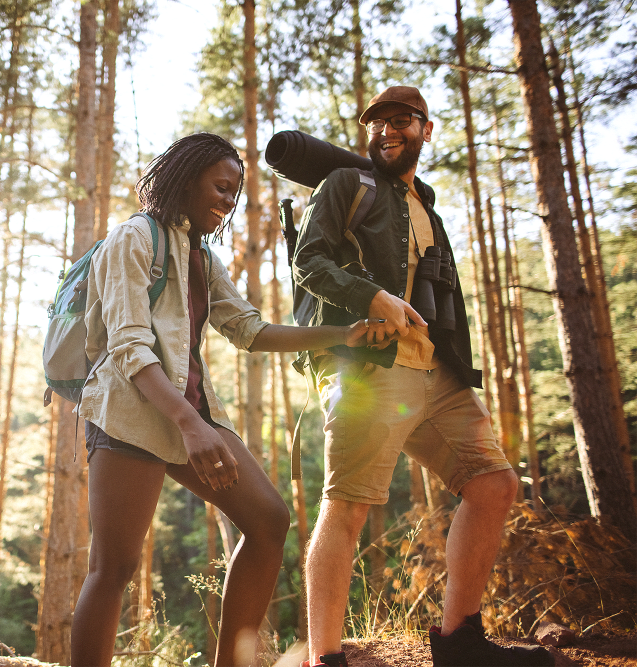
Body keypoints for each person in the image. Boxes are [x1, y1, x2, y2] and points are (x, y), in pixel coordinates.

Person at [73, 132, 369, 667]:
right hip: (127, 414)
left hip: (192, 413)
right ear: (186, 180)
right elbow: (130, 347)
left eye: (234, 193)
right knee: (113, 568)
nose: (228, 201)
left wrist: (342, 336)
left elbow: (250, 330)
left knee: (268, 521)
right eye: (221, 187)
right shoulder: (132, 239)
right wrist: (191, 426)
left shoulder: (200, 258)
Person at [291, 87, 554, 667]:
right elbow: (307, 261)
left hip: (436, 370)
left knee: (493, 484)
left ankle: (460, 641)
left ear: (426, 130)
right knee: (349, 505)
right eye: (377, 122)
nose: (387, 130)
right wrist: (370, 298)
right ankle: (326, 658)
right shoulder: (344, 186)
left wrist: (457, 360)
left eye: (401, 120)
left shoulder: (426, 207)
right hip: (369, 368)